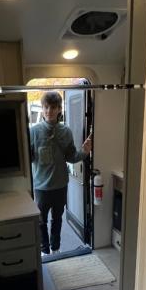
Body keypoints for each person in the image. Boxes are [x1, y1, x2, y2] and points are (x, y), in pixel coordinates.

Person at [30, 91, 92, 254]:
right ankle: (45, 250)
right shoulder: (33, 132)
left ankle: (56, 248)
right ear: (42, 108)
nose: (49, 111)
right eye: (46, 107)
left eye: (53, 107)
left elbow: (71, 157)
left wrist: (84, 152)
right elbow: (27, 157)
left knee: (57, 219)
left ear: (59, 109)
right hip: (41, 187)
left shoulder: (66, 131)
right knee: (41, 220)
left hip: (60, 185)